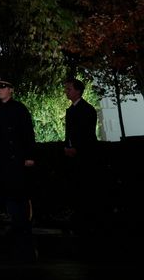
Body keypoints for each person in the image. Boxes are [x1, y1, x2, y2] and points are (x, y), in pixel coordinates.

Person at [0, 78, 36, 234]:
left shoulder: (19, 108)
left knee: (21, 190)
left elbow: (28, 133)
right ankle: (15, 220)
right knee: (7, 190)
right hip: (2, 156)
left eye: (3, 87)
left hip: (18, 156)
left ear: (10, 90)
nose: (0, 90)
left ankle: (25, 220)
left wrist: (30, 155)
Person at [61, 77, 97, 232]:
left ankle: (84, 218)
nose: (66, 92)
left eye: (69, 89)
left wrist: (77, 148)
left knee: (83, 186)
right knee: (74, 185)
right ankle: (78, 216)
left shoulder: (87, 110)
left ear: (78, 91)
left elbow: (88, 134)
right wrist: (66, 146)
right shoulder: (72, 110)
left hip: (84, 156)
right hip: (72, 154)